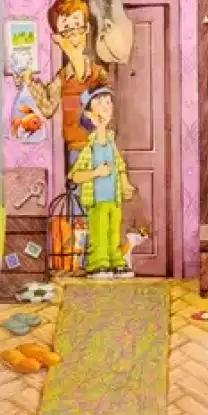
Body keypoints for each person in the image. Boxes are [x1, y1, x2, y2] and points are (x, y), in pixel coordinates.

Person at [21, 0, 110, 168]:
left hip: (101, 144)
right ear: (57, 37)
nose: (74, 36)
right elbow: (48, 108)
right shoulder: (62, 77)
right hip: (76, 149)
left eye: (78, 26)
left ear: (87, 28)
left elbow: (88, 79)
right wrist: (29, 81)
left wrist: (66, 46)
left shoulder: (98, 73)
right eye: (67, 30)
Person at [68, 87, 135, 279]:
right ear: (89, 115)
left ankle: (115, 260)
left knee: (114, 232)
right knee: (99, 232)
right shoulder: (89, 147)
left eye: (108, 102)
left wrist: (125, 183)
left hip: (114, 199)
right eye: (100, 103)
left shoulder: (111, 143)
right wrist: (96, 173)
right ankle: (98, 263)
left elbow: (120, 166)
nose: (106, 107)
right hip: (96, 200)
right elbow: (75, 176)